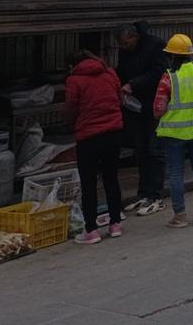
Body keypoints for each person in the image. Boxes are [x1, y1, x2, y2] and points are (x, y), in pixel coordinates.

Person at [155, 33, 193, 228]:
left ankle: (180, 216)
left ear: (172, 55)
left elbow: (158, 108)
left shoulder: (168, 78)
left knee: (175, 174)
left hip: (175, 134)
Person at [65, 50, 125, 244]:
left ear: (73, 65)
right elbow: (119, 98)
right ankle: (115, 223)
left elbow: (71, 107)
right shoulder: (110, 73)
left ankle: (91, 230)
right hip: (113, 133)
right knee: (111, 179)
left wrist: (73, 124)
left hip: (88, 137)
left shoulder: (74, 80)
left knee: (88, 184)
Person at [116, 21, 168, 216]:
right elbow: (121, 71)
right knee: (141, 150)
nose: (124, 47)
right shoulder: (125, 52)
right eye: (122, 44)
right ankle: (144, 193)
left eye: (127, 43)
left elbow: (159, 72)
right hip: (135, 107)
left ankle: (156, 195)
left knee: (155, 150)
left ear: (135, 37)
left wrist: (133, 84)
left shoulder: (156, 46)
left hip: (154, 105)